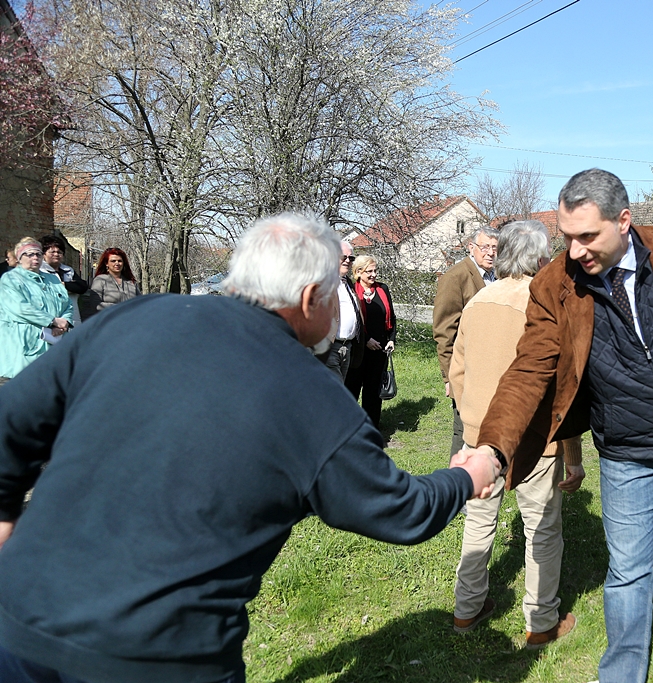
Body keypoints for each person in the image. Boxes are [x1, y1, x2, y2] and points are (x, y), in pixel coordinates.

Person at [0, 212, 500, 683]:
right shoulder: (312, 397)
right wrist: (469, 475)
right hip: (161, 657)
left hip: (18, 617)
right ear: (310, 299)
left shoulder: (133, 318)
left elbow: (12, 422)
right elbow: (399, 509)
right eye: (334, 294)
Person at [460, 169, 653, 683]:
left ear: (624, 221)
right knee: (627, 572)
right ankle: (622, 674)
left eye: (587, 236)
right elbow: (529, 368)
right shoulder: (555, 284)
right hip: (625, 450)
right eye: (567, 237)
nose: (574, 252)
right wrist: (492, 448)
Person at [448, 220, 584, 647]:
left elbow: (457, 372)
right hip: (535, 438)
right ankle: (540, 621)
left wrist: (472, 423)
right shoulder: (549, 306)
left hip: (479, 437)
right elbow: (567, 390)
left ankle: (467, 609)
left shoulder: (478, 302)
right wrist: (574, 457)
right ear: (542, 259)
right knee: (541, 529)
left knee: (479, 523)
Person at [433, 227, 499, 459]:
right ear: (471, 248)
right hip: (466, 370)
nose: (490, 253)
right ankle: (456, 486)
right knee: (464, 430)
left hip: (494, 367)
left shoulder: (497, 276)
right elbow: (444, 331)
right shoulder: (456, 277)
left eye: (495, 248)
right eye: (485, 247)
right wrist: (449, 376)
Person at [0, 237, 73, 384]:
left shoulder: (53, 279)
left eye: (39, 254)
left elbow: (67, 304)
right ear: (19, 258)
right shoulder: (10, 279)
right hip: (24, 346)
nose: (35, 257)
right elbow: (20, 308)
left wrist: (65, 322)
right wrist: (52, 321)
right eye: (30, 254)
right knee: (24, 392)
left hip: (53, 343)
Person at [344, 255, 395, 428]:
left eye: (375, 270)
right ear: (358, 272)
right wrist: (366, 340)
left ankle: (371, 430)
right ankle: (350, 429)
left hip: (379, 350)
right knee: (352, 390)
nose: (374, 274)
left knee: (373, 393)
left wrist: (392, 339)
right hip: (359, 350)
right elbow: (351, 319)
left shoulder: (383, 289)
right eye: (369, 271)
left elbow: (392, 318)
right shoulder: (351, 289)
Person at [315, 241, 363, 384]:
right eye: (344, 257)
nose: (348, 261)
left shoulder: (347, 283)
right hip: (330, 347)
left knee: (335, 390)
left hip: (346, 347)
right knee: (336, 390)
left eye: (351, 258)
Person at [39, 235, 88, 326]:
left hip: (72, 317)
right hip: (51, 319)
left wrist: (64, 285)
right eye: (52, 252)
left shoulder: (68, 270)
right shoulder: (40, 271)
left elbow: (82, 287)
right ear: (43, 254)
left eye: (59, 252)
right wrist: (70, 287)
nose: (56, 254)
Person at [89, 247, 142, 314]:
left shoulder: (131, 282)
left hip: (130, 321)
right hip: (108, 321)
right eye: (113, 261)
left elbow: (140, 302)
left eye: (120, 261)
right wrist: (119, 307)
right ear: (106, 263)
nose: (117, 263)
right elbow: (95, 305)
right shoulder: (100, 280)